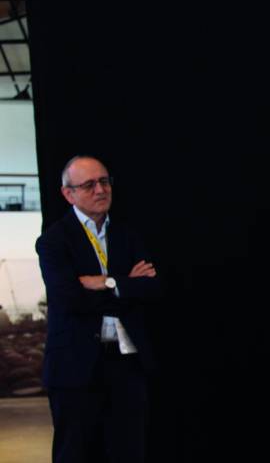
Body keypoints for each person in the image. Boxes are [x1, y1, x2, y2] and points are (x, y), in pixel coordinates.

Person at [36, 155, 161, 463]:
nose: (100, 190)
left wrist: (104, 283)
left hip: (126, 362)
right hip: (75, 365)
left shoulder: (128, 235)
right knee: (75, 452)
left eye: (104, 182)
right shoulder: (53, 242)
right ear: (69, 194)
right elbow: (69, 299)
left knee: (129, 450)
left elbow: (152, 288)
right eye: (89, 185)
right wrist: (123, 285)